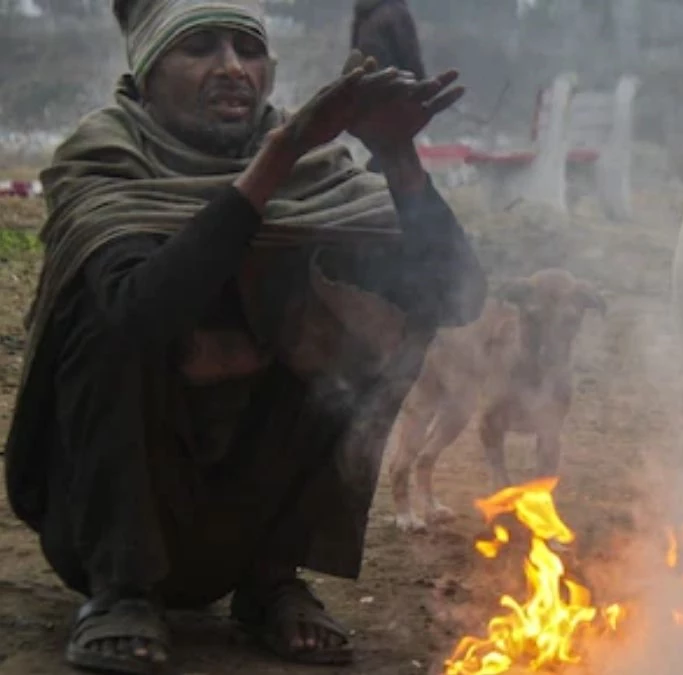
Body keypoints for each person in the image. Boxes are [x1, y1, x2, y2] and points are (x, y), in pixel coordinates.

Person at [3, 0, 487, 672]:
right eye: (200, 47)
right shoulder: (105, 157)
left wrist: (397, 157)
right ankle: (123, 590)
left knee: (371, 314)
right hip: (104, 519)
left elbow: (453, 298)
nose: (232, 68)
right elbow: (137, 317)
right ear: (146, 70)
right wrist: (274, 159)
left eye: (247, 49)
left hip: (242, 509)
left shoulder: (315, 174)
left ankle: (271, 581)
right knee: (100, 311)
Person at [351, 0, 428, 173]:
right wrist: (424, 91)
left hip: (368, 97)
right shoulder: (396, 12)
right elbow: (411, 58)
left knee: (385, 155)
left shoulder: (363, 15)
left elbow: (354, 59)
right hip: (395, 92)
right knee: (395, 158)